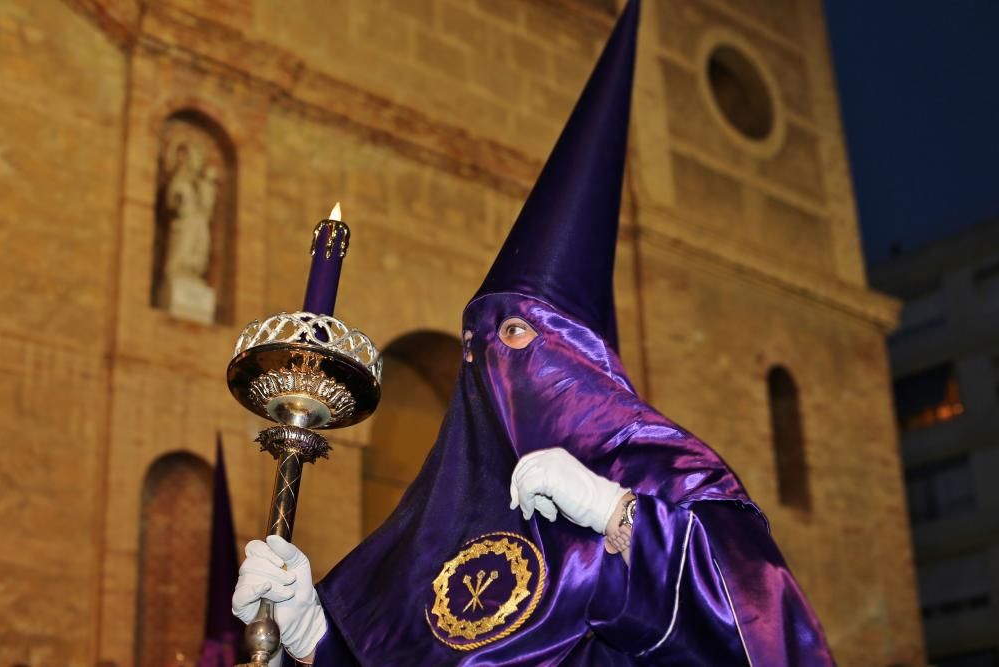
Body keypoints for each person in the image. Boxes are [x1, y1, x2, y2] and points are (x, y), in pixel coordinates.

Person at [232, 2, 837, 664]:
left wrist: (620, 516)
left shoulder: (671, 475)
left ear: (580, 356)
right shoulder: (450, 519)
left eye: (518, 333)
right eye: (477, 348)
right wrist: (312, 637)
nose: (493, 361)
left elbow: (768, 627)